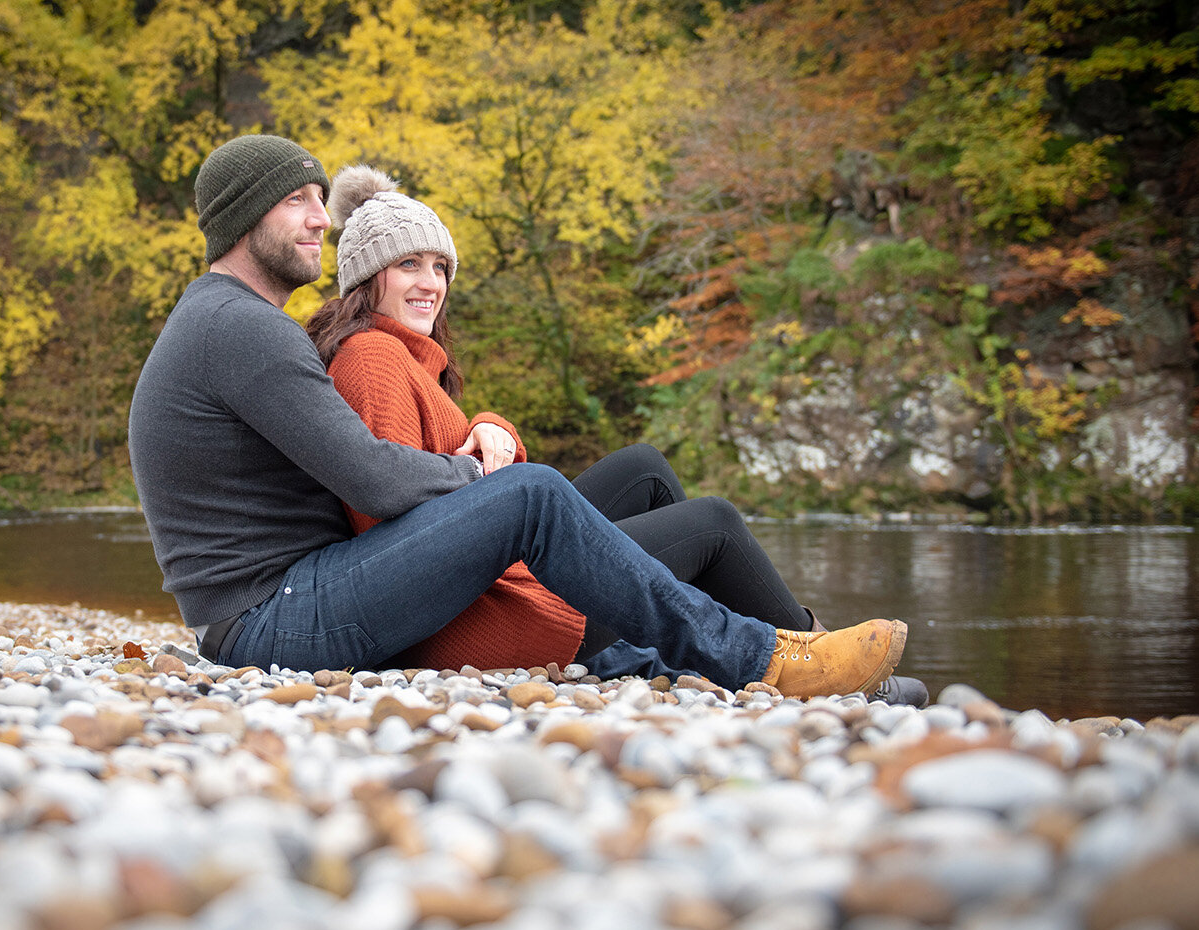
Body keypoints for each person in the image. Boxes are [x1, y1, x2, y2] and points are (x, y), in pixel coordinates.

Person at [127, 133, 910, 702]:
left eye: (317, 200)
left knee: (618, 476)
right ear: (242, 219)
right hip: (273, 621)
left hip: (279, 606)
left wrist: (484, 448)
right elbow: (368, 473)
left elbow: (384, 455)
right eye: (295, 201)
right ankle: (765, 658)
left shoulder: (228, 324)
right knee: (530, 494)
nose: (318, 219)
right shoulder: (242, 329)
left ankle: (759, 650)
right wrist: (478, 474)